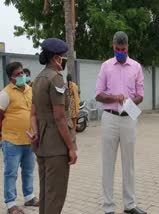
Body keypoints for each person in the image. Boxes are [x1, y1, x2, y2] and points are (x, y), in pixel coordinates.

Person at [96, 31, 146, 214]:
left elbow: (140, 95)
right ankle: (108, 207)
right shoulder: (106, 66)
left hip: (129, 117)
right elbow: (98, 94)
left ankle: (130, 204)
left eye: (123, 49)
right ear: (113, 47)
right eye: (117, 49)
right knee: (108, 163)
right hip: (109, 117)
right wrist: (114, 97)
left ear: (127, 47)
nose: (120, 52)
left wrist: (130, 102)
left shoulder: (136, 67)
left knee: (129, 163)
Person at [30, 38, 77, 214]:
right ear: (56, 58)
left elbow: (33, 114)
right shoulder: (56, 79)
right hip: (56, 146)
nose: (64, 60)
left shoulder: (38, 79)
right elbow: (59, 117)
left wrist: (35, 134)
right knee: (55, 197)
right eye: (63, 57)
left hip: (42, 145)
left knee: (45, 195)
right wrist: (71, 147)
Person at [0, 62, 38, 214]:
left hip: (29, 140)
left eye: (22, 72)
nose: (22, 76)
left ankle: (29, 197)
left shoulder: (30, 90)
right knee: (11, 173)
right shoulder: (5, 94)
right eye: (18, 74)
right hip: (12, 141)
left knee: (28, 171)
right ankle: (11, 205)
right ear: (11, 78)